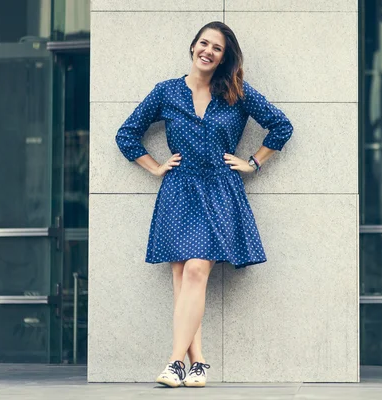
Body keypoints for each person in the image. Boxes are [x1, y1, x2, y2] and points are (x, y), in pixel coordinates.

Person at [114, 21, 293, 388]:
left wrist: (253, 162)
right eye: (204, 43)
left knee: (195, 270)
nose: (208, 51)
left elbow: (281, 126)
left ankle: (174, 362)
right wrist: (155, 167)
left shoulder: (236, 93)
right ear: (193, 46)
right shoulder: (166, 92)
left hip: (220, 189)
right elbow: (126, 134)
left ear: (224, 58)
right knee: (182, 276)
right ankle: (199, 364)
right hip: (179, 190)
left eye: (217, 48)